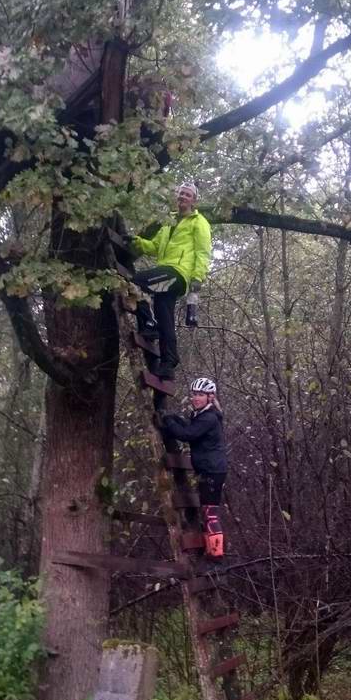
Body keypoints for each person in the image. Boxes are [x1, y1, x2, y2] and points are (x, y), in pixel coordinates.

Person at [130, 182, 211, 382]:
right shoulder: (168, 222)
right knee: (164, 315)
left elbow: (203, 252)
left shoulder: (199, 222)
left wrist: (197, 278)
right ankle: (168, 362)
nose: (183, 197)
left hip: (178, 273)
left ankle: (148, 323)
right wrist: (136, 241)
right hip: (166, 271)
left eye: (187, 195)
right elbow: (154, 247)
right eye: (181, 193)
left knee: (136, 281)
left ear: (194, 200)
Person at [157, 377, 227, 559]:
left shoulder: (209, 417)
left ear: (210, 397)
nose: (196, 398)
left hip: (212, 470)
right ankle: (211, 552)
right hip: (209, 469)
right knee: (207, 512)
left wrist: (169, 421)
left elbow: (187, 434)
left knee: (210, 514)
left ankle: (216, 556)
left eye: (200, 395)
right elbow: (190, 428)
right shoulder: (201, 415)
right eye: (194, 394)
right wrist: (174, 419)